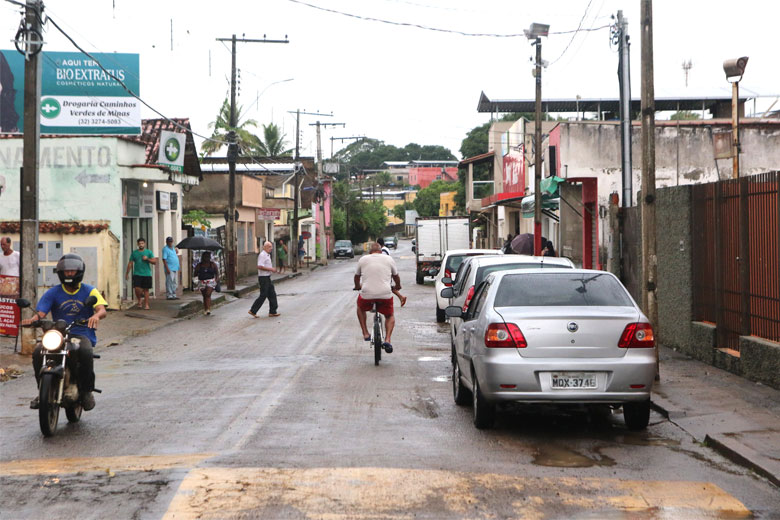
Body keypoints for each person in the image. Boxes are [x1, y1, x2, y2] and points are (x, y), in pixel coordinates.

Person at [23, 253, 107, 411]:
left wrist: (96, 315)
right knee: (38, 352)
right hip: (58, 334)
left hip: (81, 334)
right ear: (61, 272)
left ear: (79, 272)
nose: (69, 274)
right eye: (66, 271)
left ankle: (86, 391)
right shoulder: (52, 292)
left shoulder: (90, 291)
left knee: (86, 352)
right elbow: (40, 313)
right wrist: (32, 320)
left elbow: (101, 309)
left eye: (72, 271)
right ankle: (42, 390)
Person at [354, 241, 401, 353]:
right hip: (385, 294)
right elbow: (396, 277)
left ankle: (365, 332)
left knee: (360, 308)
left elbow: (356, 277)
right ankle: (388, 340)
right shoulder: (388, 259)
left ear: (370, 252)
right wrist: (398, 286)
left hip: (367, 294)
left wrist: (357, 287)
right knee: (389, 315)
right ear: (381, 251)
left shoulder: (363, 259)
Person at [248, 241, 280, 318]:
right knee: (263, 295)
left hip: (267, 277)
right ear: (264, 247)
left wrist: (271, 270)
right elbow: (260, 266)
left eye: (271, 247)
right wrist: (271, 269)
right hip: (263, 278)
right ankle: (253, 310)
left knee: (272, 294)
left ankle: (272, 311)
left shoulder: (267, 255)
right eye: (269, 247)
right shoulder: (262, 255)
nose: (271, 248)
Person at [125, 238, 157, 310]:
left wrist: (147, 259)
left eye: (142, 243)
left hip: (147, 274)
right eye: (140, 244)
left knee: (146, 290)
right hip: (137, 273)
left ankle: (146, 304)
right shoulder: (134, 253)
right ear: (137, 244)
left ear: (144, 244)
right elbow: (130, 263)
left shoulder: (149, 252)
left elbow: (154, 262)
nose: (141, 245)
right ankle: (139, 299)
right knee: (137, 288)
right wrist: (127, 273)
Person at [376, 237, 406, 306]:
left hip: (385, 272)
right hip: (386, 271)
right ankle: (401, 297)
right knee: (388, 287)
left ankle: (400, 298)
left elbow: (383, 262)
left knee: (386, 287)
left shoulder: (383, 251)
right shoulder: (385, 249)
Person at [193, 251, 219, 315]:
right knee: (204, 295)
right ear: (203, 257)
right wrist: (196, 282)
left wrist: (216, 281)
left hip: (211, 281)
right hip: (202, 282)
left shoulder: (213, 264)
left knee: (208, 294)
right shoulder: (199, 265)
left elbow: (217, 273)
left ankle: (208, 309)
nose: (207, 258)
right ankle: (205, 309)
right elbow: (195, 274)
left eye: (208, 257)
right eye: (205, 257)